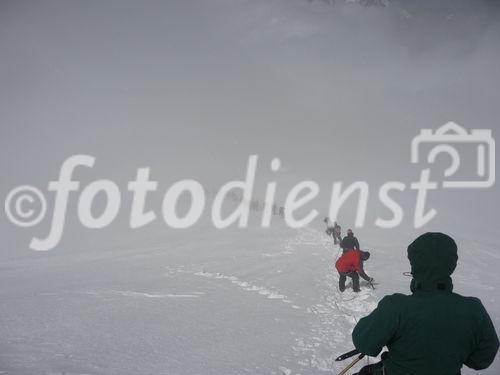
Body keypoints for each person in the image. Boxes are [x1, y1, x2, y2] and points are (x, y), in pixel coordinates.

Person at [351, 232, 499, 375]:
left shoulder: (396, 306)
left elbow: (364, 342)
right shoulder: (473, 309)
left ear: (415, 265)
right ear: (451, 263)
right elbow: (482, 359)